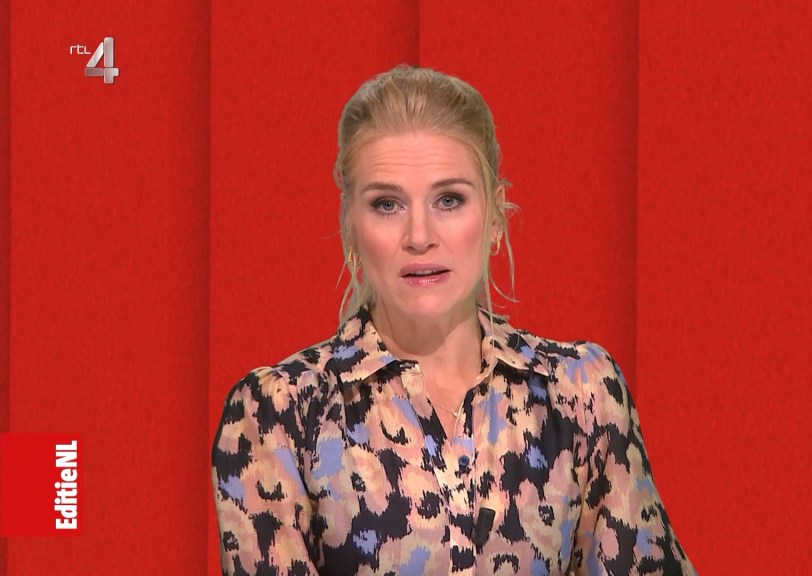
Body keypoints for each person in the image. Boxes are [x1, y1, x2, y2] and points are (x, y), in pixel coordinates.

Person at [211, 65, 697, 576]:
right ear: (350, 227)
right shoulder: (277, 414)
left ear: (494, 218)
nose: (420, 236)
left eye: (449, 200)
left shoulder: (581, 394)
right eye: (387, 204)